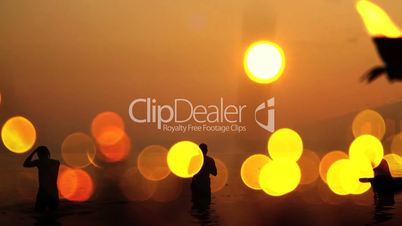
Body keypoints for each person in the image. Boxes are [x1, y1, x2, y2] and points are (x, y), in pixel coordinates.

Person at [23, 146, 60, 212]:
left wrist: (33, 152)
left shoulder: (39, 162)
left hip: (43, 192)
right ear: (47, 153)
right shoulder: (56, 162)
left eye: (38, 154)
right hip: (54, 191)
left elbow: (25, 164)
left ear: (39, 154)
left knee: (38, 212)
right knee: (54, 215)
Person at [191, 143, 217, 208]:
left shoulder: (194, 159)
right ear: (206, 151)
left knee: (195, 204)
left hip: (196, 184)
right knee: (206, 205)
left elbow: (190, 171)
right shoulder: (210, 160)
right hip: (205, 184)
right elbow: (215, 173)